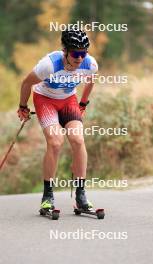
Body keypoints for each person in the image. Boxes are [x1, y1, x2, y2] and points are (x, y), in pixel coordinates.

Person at [17, 27, 98, 211]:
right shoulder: (49, 65)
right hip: (45, 100)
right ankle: (48, 196)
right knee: (55, 142)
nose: (79, 58)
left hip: (69, 100)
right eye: (76, 54)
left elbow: (90, 80)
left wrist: (83, 103)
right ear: (65, 51)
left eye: (83, 53)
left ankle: (81, 195)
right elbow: (26, 83)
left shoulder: (90, 63)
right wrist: (23, 106)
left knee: (78, 139)